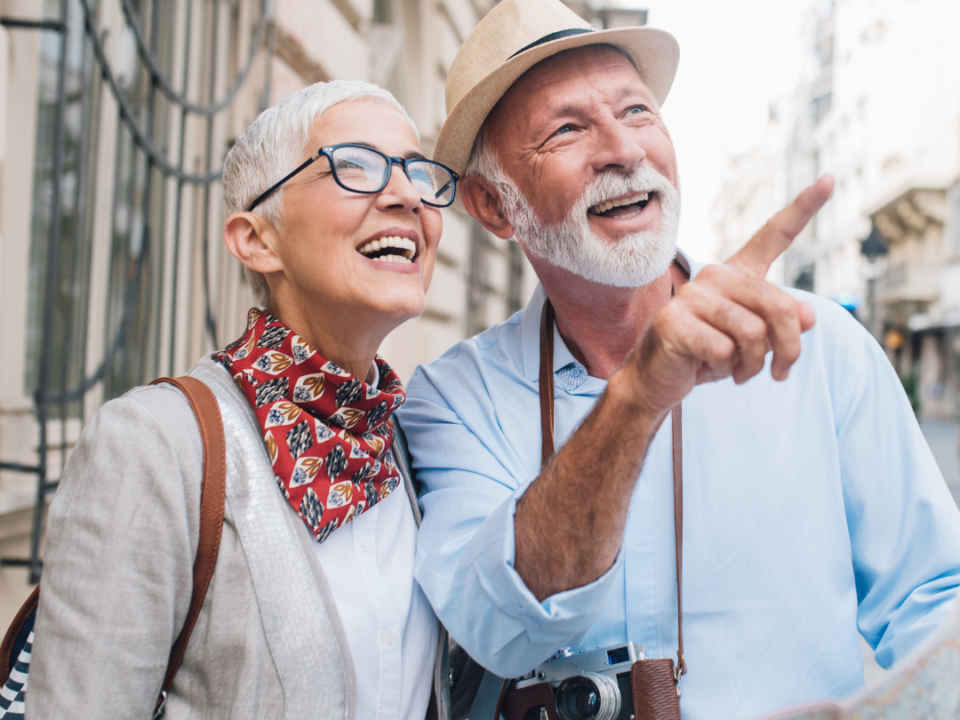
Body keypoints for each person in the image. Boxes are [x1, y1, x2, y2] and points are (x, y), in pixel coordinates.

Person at [395, 1, 960, 718]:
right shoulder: (452, 397)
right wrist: (639, 396)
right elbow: (494, 626)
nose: (624, 150)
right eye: (567, 129)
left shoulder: (818, 348)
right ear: (492, 206)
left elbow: (935, 603)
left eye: (637, 112)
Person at [27, 80, 459, 720]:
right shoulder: (152, 446)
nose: (406, 197)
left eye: (418, 174)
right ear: (256, 239)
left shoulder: (413, 449)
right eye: (357, 167)